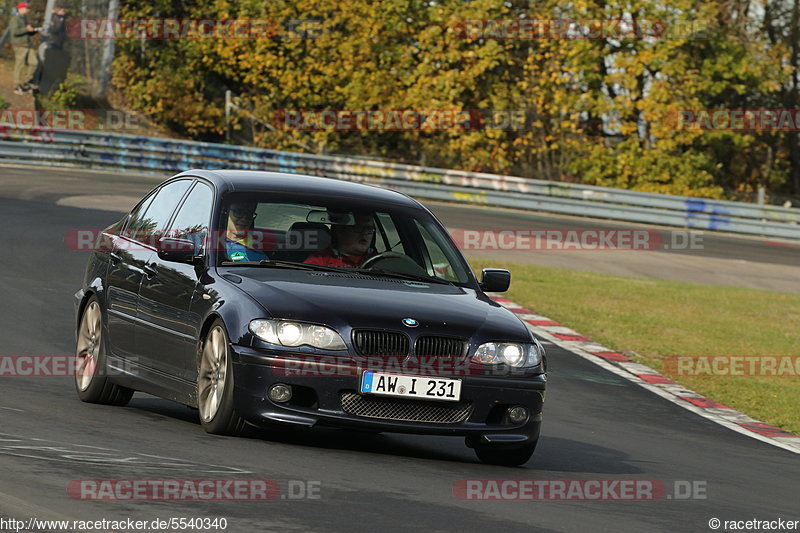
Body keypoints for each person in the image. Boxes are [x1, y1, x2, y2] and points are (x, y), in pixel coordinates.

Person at [304, 212, 376, 268]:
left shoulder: (381, 261)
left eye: (369, 229)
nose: (365, 233)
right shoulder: (318, 262)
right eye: (358, 227)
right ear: (339, 230)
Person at [9, 2, 40, 95]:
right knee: (20, 65)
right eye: (27, 8)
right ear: (21, 9)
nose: (28, 10)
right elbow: (15, 32)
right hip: (19, 45)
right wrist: (26, 29)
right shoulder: (15, 19)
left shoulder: (24, 18)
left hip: (27, 44)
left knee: (34, 63)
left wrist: (34, 31)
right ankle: (17, 86)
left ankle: (26, 82)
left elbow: (26, 31)